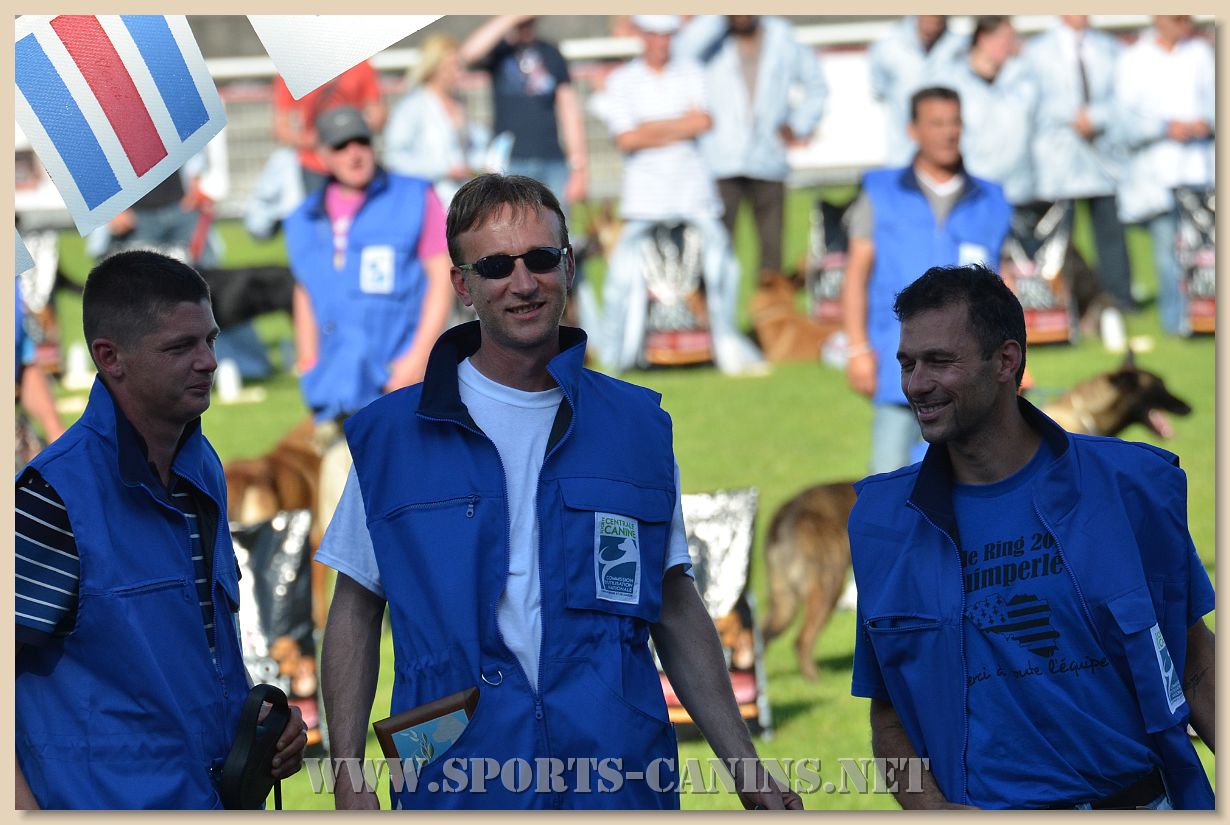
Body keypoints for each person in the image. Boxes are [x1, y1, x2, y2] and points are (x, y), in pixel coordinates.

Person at [317, 173, 801, 810]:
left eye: (541, 259)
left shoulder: (636, 427)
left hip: (615, 768)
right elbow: (354, 609)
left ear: (569, 265)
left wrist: (746, 767)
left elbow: (675, 604)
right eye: (496, 267)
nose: (523, 283)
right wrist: (347, 774)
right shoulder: (392, 436)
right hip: (452, 771)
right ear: (462, 284)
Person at [848, 263, 1216, 809]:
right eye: (907, 363)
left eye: (940, 362)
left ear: (1006, 361)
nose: (916, 384)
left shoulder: (1131, 486)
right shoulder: (885, 522)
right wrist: (935, 812)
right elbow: (889, 714)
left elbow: (1197, 666)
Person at [15, 250, 308, 809]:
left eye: (211, 340)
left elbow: (193, 652)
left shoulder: (202, 468)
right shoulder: (53, 496)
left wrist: (258, 730)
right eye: (180, 347)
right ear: (110, 357)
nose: (209, 362)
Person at [283, 105, 453, 531]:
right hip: (335, 388)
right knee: (341, 521)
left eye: (361, 141)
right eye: (341, 146)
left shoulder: (414, 196)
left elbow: (441, 277)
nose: (354, 153)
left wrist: (418, 358)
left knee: (412, 509)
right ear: (322, 154)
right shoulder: (303, 218)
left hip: (397, 380)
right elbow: (304, 291)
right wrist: (308, 363)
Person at [841, 86, 1012, 475]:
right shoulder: (879, 192)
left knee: (974, 478)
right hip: (899, 364)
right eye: (936, 123)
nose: (948, 133)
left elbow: (1004, 284)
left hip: (971, 370)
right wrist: (857, 349)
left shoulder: (991, 199)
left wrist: (1016, 353)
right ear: (913, 130)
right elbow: (855, 276)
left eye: (954, 123)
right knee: (888, 475)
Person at [596, 14, 764, 376]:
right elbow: (627, 138)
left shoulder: (693, 72)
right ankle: (616, 355)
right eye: (655, 35)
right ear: (642, 36)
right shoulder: (623, 80)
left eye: (668, 35)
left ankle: (727, 346)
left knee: (723, 269)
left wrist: (650, 127)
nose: (662, 42)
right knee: (622, 279)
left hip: (693, 192)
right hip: (644, 197)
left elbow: (702, 122)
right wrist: (679, 125)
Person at [672, 15, 828, 284]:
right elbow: (681, 51)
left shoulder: (781, 37)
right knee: (715, 250)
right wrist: (719, 17)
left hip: (768, 160)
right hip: (720, 162)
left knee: (772, 254)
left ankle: (768, 312)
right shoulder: (710, 39)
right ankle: (718, 310)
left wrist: (798, 124)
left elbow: (817, 86)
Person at [1022, 15, 1135, 313]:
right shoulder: (1037, 50)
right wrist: (1071, 115)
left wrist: (1095, 117)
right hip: (1058, 159)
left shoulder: (1109, 47)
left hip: (1102, 158)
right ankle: (1063, 303)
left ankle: (1119, 301)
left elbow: (1123, 97)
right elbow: (1033, 100)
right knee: (1059, 240)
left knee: (1110, 234)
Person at [1112, 15, 1214, 337]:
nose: (1184, 24)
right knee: (1168, 251)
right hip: (1156, 175)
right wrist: (1164, 128)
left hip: (1200, 170)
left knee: (1204, 252)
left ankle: (1205, 315)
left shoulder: (1200, 53)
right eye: (1177, 17)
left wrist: (1206, 122)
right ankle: (1176, 322)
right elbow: (1124, 121)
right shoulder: (1133, 59)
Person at [459, 16, 587, 214]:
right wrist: (511, 16)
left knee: (555, 226)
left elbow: (569, 110)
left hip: (551, 160)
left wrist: (579, 167)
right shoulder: (500, 52)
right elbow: (467, 54)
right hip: (509, 161)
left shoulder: (551, 53)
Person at [931, 17, 1038, 212]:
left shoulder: (1023, 80)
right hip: (972, 193)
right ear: (983, 38)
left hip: (1019, 192)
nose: (1011, 45)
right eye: (1005, 39)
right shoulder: (953, 82)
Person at [385, 33, 485, 208]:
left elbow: (469, 149)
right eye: (454, 65)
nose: (460, 72)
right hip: (427, 200)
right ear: (436, 68)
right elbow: (394, 157)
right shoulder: (412, 106)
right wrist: (443, 169)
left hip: (461, 200)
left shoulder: (459, 103)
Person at [272, 60, 387, 195]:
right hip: (315, 165)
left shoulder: (359, 64)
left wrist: (350, 131)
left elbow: (377, 113)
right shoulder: (293, 67)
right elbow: (281, 127)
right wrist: (315, 140)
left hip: (355, 161)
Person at [868, 16, 964, 167]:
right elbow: (879, 90)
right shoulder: (888, 46)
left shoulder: (961, 46)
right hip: (902, 151)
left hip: (947, 156)